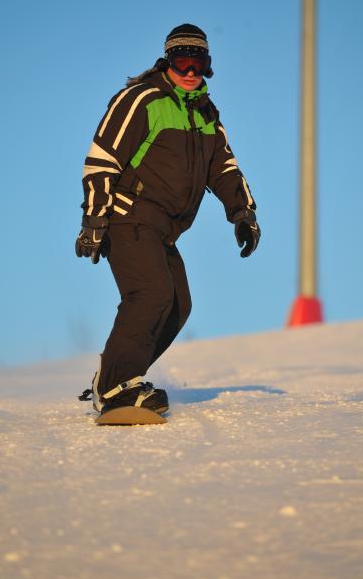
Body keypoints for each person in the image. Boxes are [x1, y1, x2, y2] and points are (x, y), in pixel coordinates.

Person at [76, 23, 260, 415]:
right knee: (151, 295)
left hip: (164, 229)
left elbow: (224, 168)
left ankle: (116, 376)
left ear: (208, 66)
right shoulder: (141, 99)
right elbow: (101, 158)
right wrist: (94, 218)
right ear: (168, 60)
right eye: (182, 60)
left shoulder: (207, 114)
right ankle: (115, 389)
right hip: (126, 216)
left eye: (199, 62)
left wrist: (242, 213)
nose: (190, 71)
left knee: (178, 305)